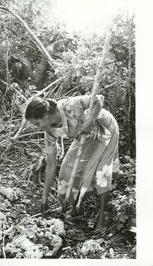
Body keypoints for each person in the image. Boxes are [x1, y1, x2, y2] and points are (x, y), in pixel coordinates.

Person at [24, 94, 119, 229]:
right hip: (84, 136)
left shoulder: (69, 105)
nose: (38, 128)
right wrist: (44, 195)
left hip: (105, 128)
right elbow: (51, 164)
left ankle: (103, 217)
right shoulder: (49, 132)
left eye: (37, 123)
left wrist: (90, 121)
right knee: (68, 167)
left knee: (101, 172)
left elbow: (99, 99)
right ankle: (75, 207)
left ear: (45, 115)